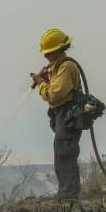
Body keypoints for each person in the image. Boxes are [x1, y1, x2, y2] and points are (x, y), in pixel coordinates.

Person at [31, 28, 83, 200]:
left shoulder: (66, 67)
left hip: (68, 116)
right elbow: (56, 89)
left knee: (65, 154)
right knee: (61, 154)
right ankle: (65, 193)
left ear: (58, 50)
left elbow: (54, 95)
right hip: (63, 116)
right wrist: (46, 80)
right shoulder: (58, 67)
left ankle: (69, 196)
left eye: (48, 52)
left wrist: (41, 84)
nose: (46, 56)